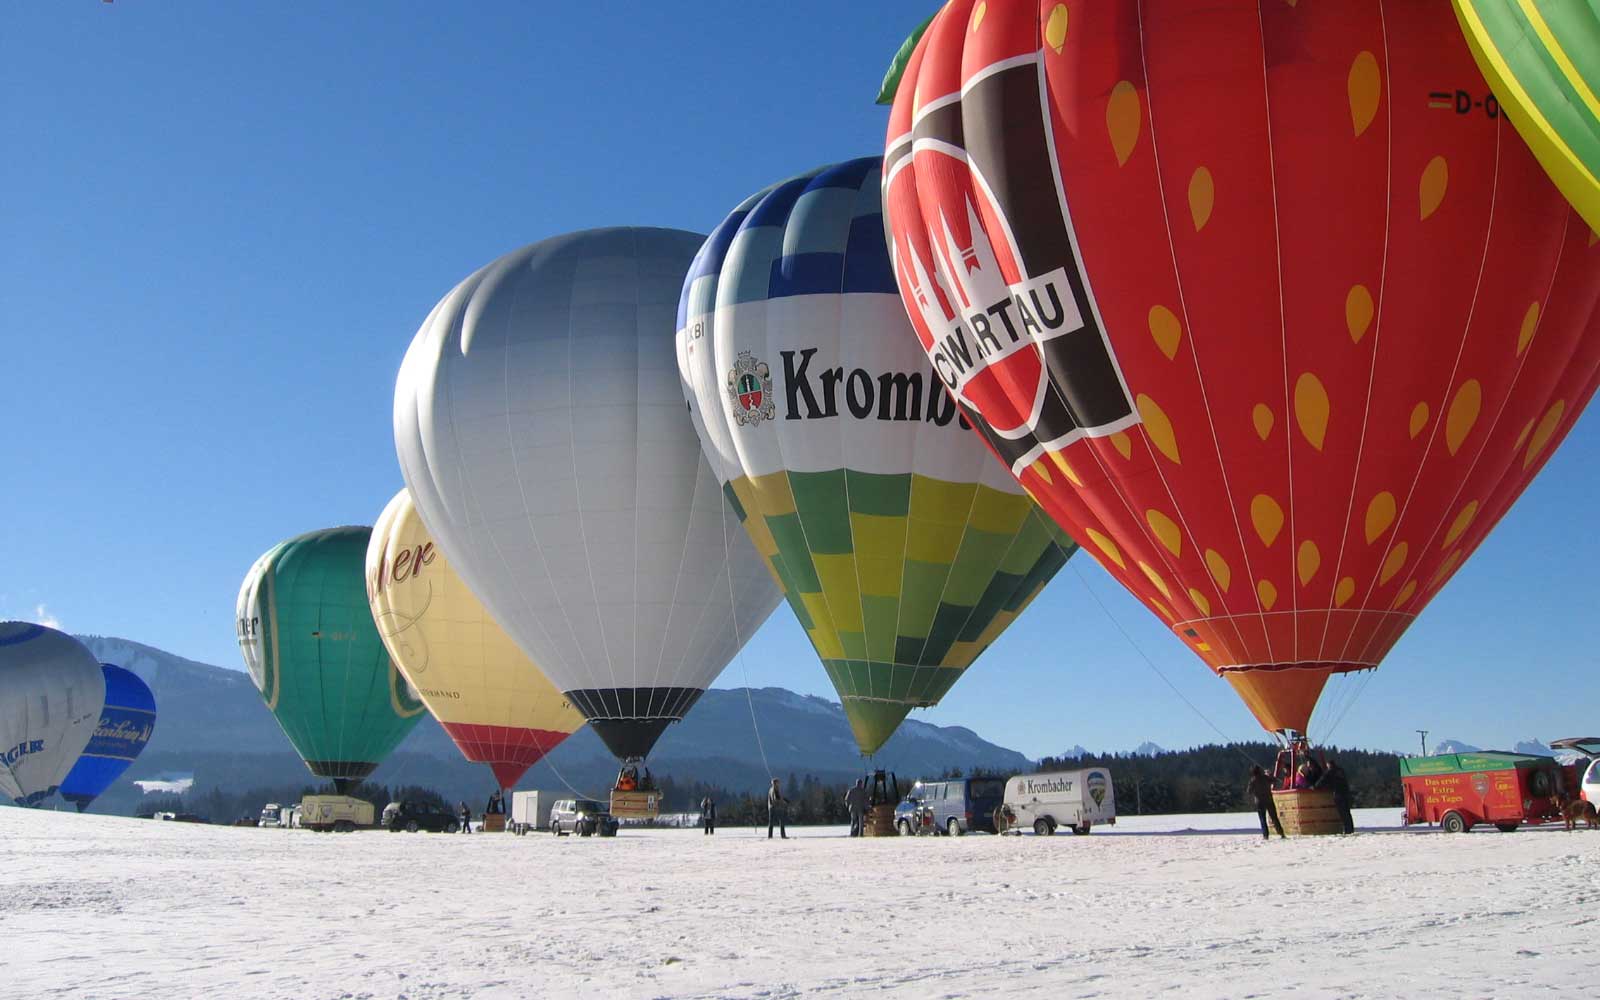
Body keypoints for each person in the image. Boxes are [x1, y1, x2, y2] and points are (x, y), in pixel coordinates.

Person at [1318, 759, 1355, 834]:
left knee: (1342, 813)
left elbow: (1322, 780)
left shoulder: (1330, 771)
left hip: (1338, 794)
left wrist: (1315, 786)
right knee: (1347, 812)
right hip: (1346, 794)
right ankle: (1350, 828)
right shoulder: (1341, 771)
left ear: (1329, 765)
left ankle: (1346, 829)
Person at [1248, 765, 1285, 840]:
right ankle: (1281, 833)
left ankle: (1266, 835)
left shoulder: (1252, 780)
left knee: (1262, 819)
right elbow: (1275, 780)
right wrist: (1269, 774)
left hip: (1259, 802)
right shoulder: (1265, 777)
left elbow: (1249, 791)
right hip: (1269, 800)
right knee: (1274, 817)